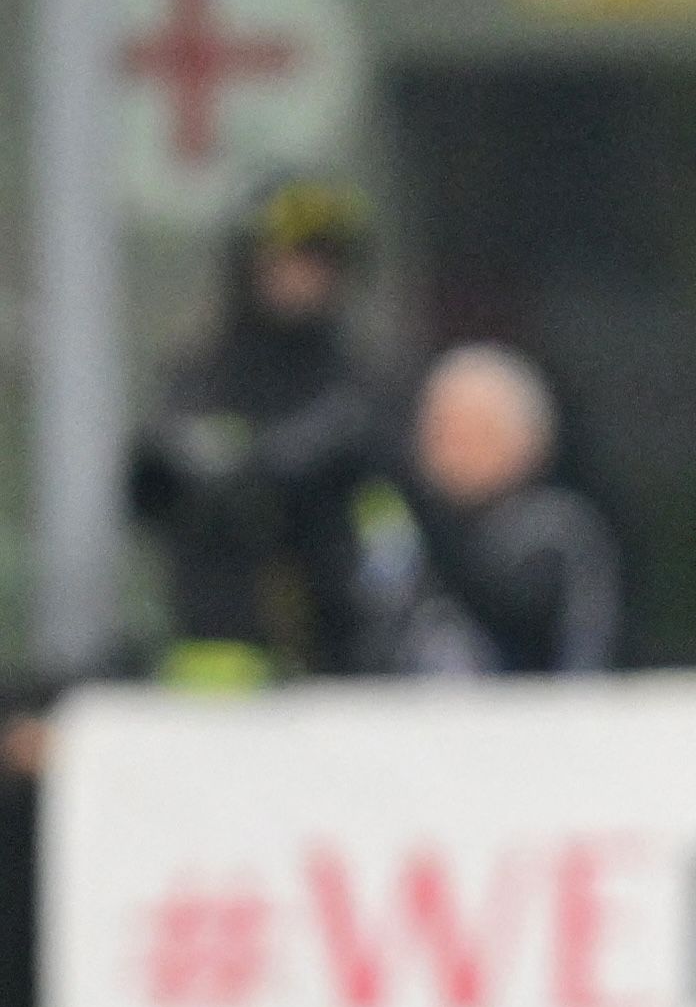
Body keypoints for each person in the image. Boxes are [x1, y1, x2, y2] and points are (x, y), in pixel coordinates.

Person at [129, 175, 388, 685]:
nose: (303, 278)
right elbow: (148, 488)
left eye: (321, 262)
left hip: (341, 660)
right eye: (287, 259)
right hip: (219, 656)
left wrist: (261, 466)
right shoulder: (203, 369)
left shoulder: (358, 378)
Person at [358, 343, 623, 675]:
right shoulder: (398, 531)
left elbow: (584, 662)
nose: (457, 451)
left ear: (530, 441)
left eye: (478, 433)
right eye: (444, 432)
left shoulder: (559, 538)